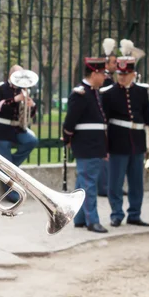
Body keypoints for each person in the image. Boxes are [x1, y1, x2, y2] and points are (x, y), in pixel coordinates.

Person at [101, 55, 149, 227]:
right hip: (117, 143)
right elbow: (104, 122)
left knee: (136, 182)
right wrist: (105, 146)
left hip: (137, 143)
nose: (122, 77)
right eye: (120, 74)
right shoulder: (108, 94)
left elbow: (147, 118)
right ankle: (116, 214)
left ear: (133, 74)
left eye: (126, 74)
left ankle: (135, 214)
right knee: (115, 182)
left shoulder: (141, 91)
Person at [62, 57, 109, 233]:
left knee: (83, 185)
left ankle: (80, 218)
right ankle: (92, 221)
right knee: (89, 185)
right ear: (95, 73)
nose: (105, 77)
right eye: (103, 73)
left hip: (94, 145)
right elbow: (69, 122)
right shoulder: (81, 94)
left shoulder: (94, 92)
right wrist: (67, 139)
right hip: (86, 146)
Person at [0, 64, 38, 202]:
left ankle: (7, 169)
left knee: (31, 141)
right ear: (11, 75)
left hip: (17, 129)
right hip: (1, 130)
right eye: (19, 75)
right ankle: (12, 194)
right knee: (7, 163)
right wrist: (15, 100)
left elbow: (30, 114)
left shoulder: (24, 90)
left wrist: (32, 105)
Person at [98, 38, 118, 196]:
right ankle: (104, 186)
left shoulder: (110, 78)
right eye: (113, 63)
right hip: (105, 120)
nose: (116, 65)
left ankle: (109, 185)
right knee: (105, 154)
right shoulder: (104, 79)